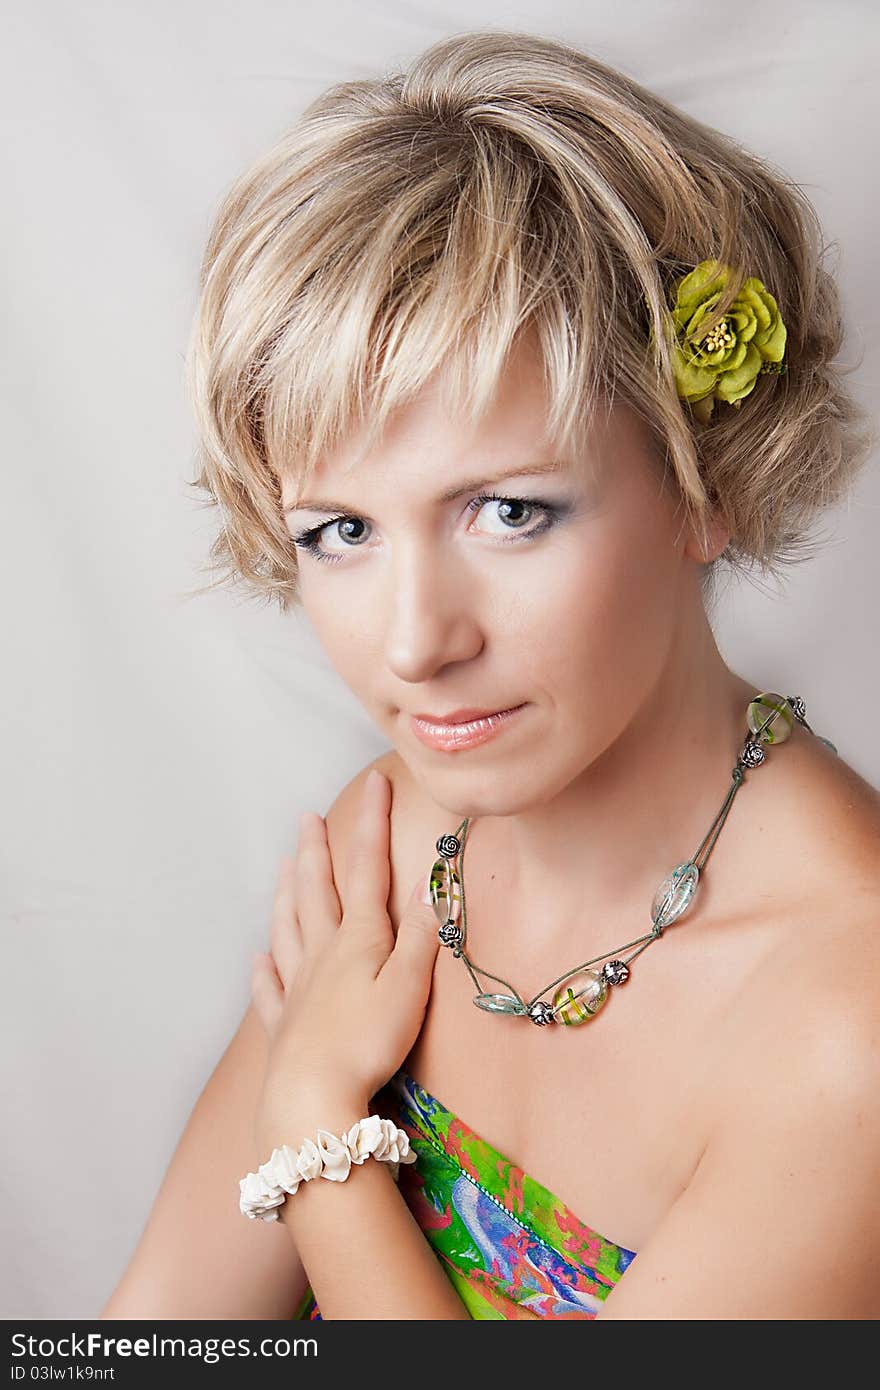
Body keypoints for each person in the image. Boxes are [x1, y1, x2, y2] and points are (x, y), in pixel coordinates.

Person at [100, 30, 880, 1320]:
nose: (415, 645)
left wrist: (318, 1134)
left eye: (509, 511)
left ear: (706, 483)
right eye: (340, 532)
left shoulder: (845, 1020)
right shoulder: (397, 843)